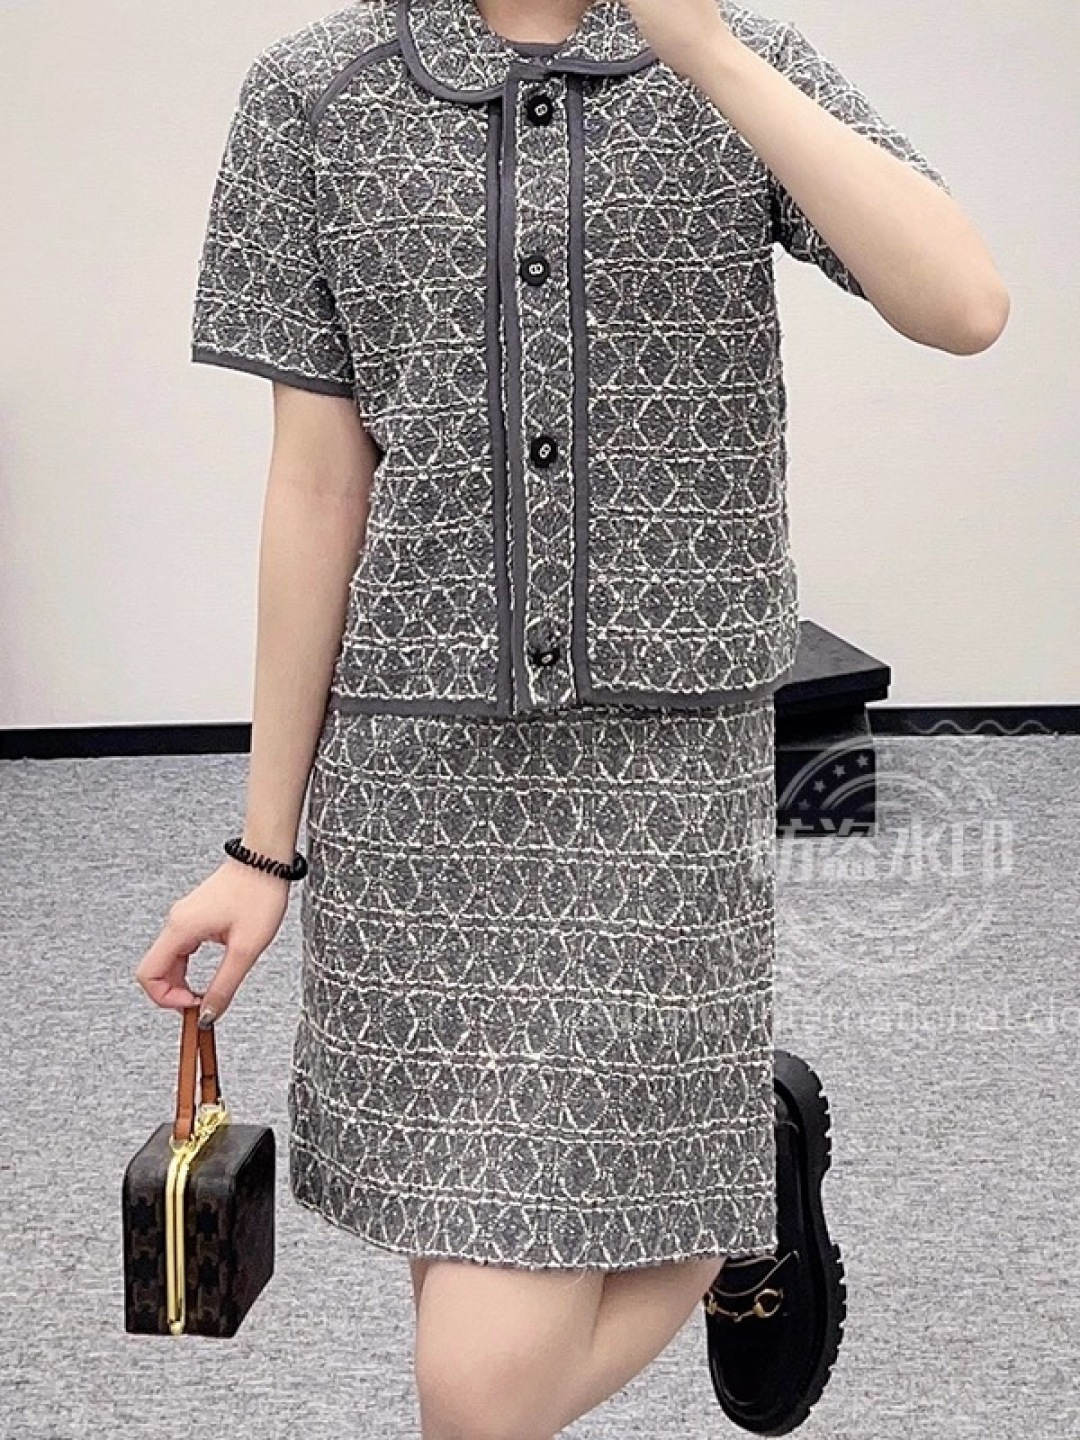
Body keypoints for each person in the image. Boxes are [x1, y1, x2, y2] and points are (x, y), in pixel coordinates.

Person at [136, 1, 1009, 1436]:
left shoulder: (732, 58)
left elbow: (964, 305)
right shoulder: (315, 92)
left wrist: (705, 47)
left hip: (659, 776)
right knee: (481, 1305)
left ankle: (738, 1171)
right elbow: (316, 482)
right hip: (420, 782)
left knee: (477, 1393)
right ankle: (749, 1159)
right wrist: (262, 847)